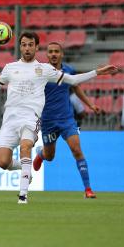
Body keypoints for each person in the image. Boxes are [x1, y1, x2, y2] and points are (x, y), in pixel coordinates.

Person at [0, 32, 118, 204]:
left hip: (31, 118)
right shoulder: (10, 67)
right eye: (24, 44)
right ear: (20, 47)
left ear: (37, 47)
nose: (27, 48)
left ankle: (23, 196)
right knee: (3, 162)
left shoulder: (45, 69)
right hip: (10, 119)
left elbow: (73, 81)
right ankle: (25, 168)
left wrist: (98, 72)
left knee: (26, 147)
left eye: (30, 45)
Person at [32, 42, 102, 199]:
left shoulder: (69, 71)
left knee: (76, 150)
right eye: (50, 51)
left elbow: (76, 87)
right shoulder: (41, 72)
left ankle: (88, 189)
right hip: (48, 121)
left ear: (61, 54)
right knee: (50, 156)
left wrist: (90, 104)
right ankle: (41, 154)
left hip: (67, 119)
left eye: (57, 51)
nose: (54, 54)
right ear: (47, 55)